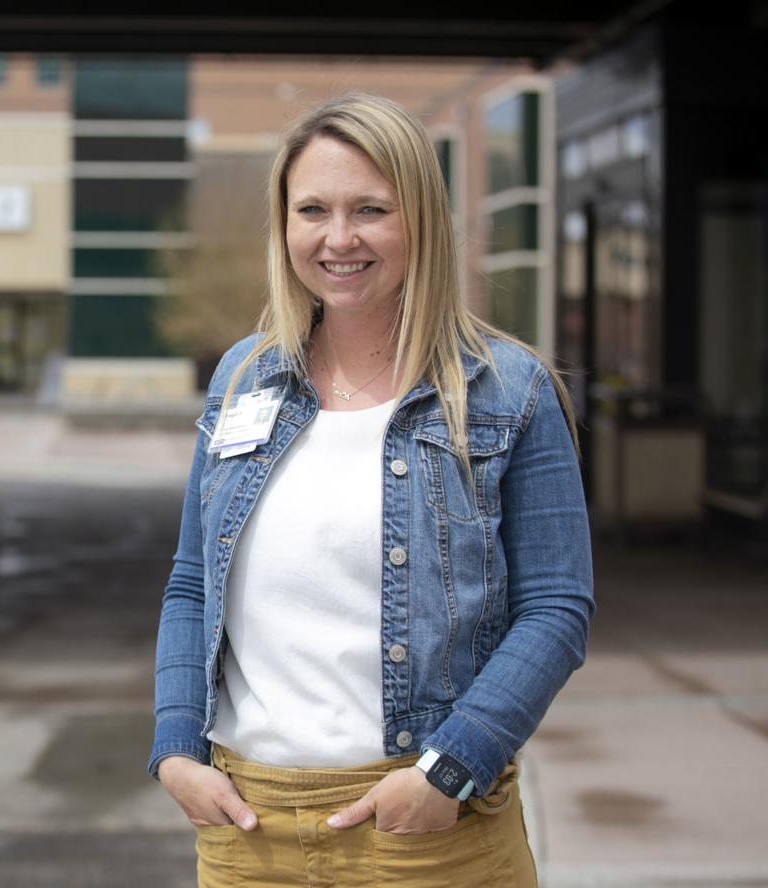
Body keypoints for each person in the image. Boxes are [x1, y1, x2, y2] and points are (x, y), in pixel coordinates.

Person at [148, 93, 594, 887]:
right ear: (283, 225)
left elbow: (556, 608)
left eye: (370, 209)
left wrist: (448, 772)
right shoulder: (243, 378)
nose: (338, 237)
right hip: (247, 829)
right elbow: (192, 583)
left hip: (427, 830)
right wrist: (176, 748)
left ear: (418, 218)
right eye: (311, 209)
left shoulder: (505, 390)